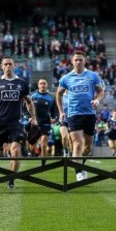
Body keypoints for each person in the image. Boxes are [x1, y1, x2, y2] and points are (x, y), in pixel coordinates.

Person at [0, 56, 36, 189]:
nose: (8, 66)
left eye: (10, 64)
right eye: (6, 64)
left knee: (16, 151)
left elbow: (29, 102)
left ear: (14, 65)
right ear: (2, 66)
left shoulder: (22, 83)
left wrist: (33, 117)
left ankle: (11, 180)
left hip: (15, 123)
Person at [56, 50, 105, 181]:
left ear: (85, 61)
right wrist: (61, 112)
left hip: (89, 114)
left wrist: (97, 100)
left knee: (88, 147)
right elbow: (59, 94)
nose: (78, 62)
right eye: (76, 60)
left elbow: (101, 92)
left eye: (80, 60)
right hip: (74, 114)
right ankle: (78, 172)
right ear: (72, 62)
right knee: (77, 144)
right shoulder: (66, 78)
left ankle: (80, 165)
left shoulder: (93, 76)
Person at [30, 79, 58, 162]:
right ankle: (36, 149)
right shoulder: (33, 96)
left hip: (46, 123)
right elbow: (26, 108)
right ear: (38, 85)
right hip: (34, 123)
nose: (42, 85)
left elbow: (55, 112)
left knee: (44, 143)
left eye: (44, 83)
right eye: (41, 83)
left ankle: (43, 163)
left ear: (47, 85)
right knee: (32, 146)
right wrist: (28, 116)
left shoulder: (51, 98)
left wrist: (53, 118)